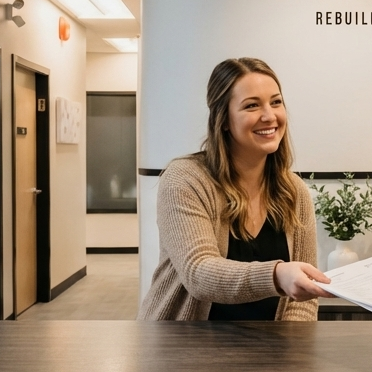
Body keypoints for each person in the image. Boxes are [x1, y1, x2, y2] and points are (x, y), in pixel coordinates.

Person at [139, 57, 330, 321]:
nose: (269, 116)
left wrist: (290, 343)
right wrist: (276, 275)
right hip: (184, 342)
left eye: (276, 102)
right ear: (224, 119)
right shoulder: (185, 179)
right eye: (252, 105)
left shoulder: (294, 191)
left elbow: (303, 303)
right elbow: (198, 273)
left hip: (270, 345)